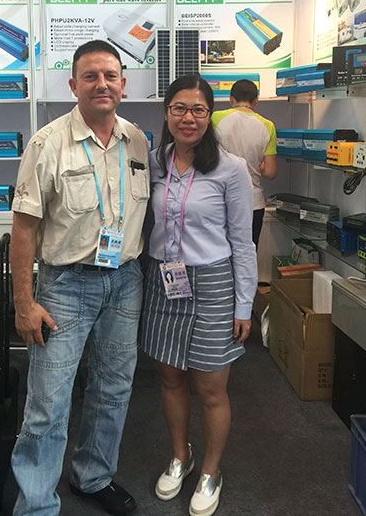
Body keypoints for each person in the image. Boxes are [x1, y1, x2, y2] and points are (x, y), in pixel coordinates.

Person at [10, 39, 150, 516]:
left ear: (123, 84)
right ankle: (36, 505)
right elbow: (24, 229)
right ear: (73, 85)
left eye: (110, 76)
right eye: (90, 76)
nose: (101, 84)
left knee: (113, 388)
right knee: (48, 402)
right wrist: (24, 302)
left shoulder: (138, 141)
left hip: (125, 281)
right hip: (65, 286)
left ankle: (92, 476)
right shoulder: (47, 143)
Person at [140, 74, 257, 516]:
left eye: (198, 110)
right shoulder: (156, 161)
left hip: (212, 283)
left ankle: (210, 470)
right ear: (167, 113)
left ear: (210, 115)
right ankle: (181, 456)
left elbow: (242, 242)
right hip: (164, 279)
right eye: (179, 108)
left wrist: (244, 304)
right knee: (170, 377)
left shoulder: (230, 168)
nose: (188, 118)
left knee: (210, 387)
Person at [211, 79, 277, 249]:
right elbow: (270, 172)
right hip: (253, 202)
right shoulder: (268, 126)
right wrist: (258, 166)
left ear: (231, 99)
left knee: (220, 255)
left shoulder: (215, 118)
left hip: (221, 200)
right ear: (256, 100)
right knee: (248, 253)